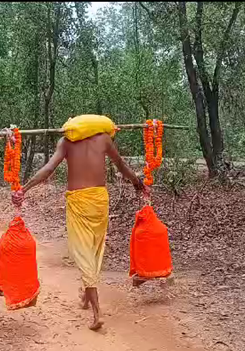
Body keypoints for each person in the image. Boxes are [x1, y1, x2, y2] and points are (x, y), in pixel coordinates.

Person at [12, 131, 146, 331]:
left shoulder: (66, 141)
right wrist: (138, 183)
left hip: (79, 202)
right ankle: (85, 295)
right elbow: (122, 165)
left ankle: (97, 314)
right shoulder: (104, 139)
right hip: (100, 200)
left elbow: (48, 169)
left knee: (83, 253)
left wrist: (25, 188)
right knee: (93, 248)